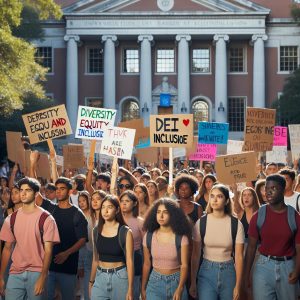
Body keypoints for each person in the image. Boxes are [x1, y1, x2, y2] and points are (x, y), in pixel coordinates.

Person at [0, 177, 60, 299]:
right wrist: (1, 276)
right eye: (21, 190)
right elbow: (6, 248)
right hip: (15, 272)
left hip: (37, 272)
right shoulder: (11, 218)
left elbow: (49, 251)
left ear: (36, 193)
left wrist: (43, 278)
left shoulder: (47, 218)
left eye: (28, 190)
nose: (23, 193)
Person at [244, 174, 300, 300]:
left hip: (288, 267)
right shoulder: (258, 215)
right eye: (266, 188)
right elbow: (251, 248)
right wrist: (246, 274)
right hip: (263, 266)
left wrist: (297, 270)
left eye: (273, 188)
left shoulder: (294, 216)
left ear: (283, 189)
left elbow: (299, 248)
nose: (268, 192)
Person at [190, 184, 244, 300]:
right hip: (206, 271)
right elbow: (195, 255)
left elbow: (239, 257)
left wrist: (238, 286)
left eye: (219, 196)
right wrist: (193, 281)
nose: (214, 200)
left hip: (229, 271)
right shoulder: (201, 223)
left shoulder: (236, 224)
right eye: (212, 196)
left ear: (226, 201)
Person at [40, 177, 88, 300]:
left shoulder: (77, 214)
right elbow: (35, 193)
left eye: (62, 189)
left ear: (70, 191)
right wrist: (33, 164)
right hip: (48, 266)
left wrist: (66, 253)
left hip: (68, 267)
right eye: (57, 189)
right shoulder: (51, 208)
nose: (59, 191)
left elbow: (82, 239)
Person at [141, 198, 191, 300]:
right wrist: (143, 287)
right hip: (155, 282)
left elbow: (184, 265)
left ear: (173, 215)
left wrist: (180, 288)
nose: (161, 216)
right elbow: (146, 263)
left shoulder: (181, 238)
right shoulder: (148, 236)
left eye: (165, 212)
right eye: (158, 212)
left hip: (176, 281)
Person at [89, 195, 134, 300]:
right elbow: (95, 259)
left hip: (120, 277)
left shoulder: (125, 231)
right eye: (103, 207)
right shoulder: (95, 231)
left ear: (117, 209)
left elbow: (130, 262)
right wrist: (91, 282)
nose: (106, 211)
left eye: (109, 207)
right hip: (100, 276)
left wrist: (130, 288)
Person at [120, 190, 144, 300]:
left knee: (132, 293)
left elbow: (146, 246)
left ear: (134, 203)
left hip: (135, 259)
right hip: (118, 258)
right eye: (122, 201)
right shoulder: (116, 220)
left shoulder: (139, 222)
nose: (123, 204)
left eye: (127, 201)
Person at [78, 191, 93, 300]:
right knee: (81, 272)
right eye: (79, 201)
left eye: (84, 200)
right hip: (80, 248)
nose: (81, 203)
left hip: (92, 249)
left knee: (91, 273)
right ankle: (83, 293)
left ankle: (90, 294)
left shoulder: (93, 215)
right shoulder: (77, 214)